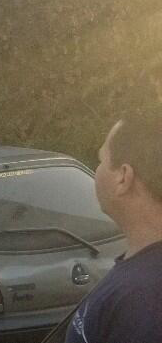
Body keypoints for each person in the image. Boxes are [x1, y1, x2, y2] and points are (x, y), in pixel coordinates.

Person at [65, 114, 162, 342]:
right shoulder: (141, 280)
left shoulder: (144, 299)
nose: (97, 171)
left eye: (101, 160)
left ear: (123, 177)